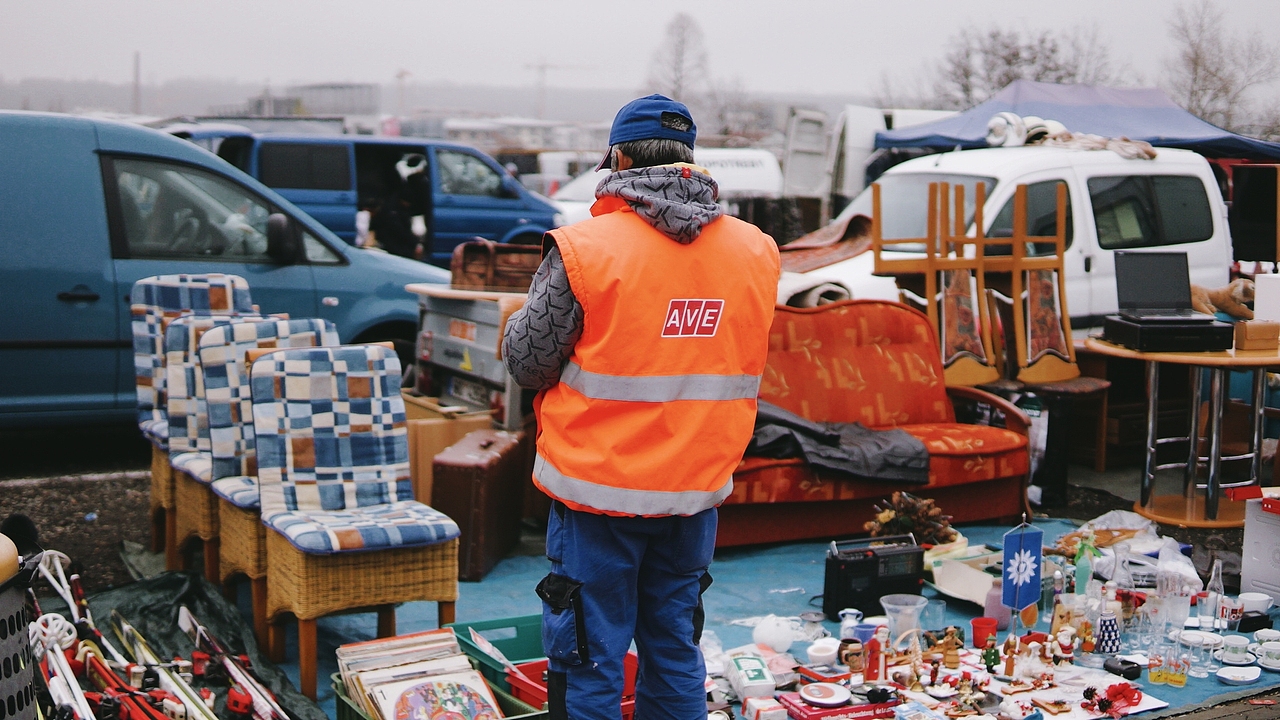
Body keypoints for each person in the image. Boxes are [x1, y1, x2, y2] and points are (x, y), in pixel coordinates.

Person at [501, 94, 780, 720]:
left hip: (598, 496)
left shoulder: (585, 250)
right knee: (675, 646)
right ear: (688, 159)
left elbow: (528, 363)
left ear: (619, 160)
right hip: (693, 495)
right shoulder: (757, 250)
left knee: (589, 656)